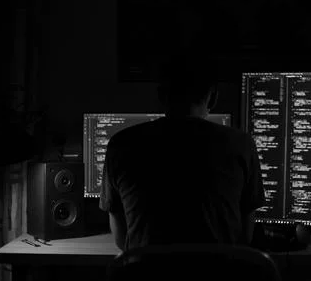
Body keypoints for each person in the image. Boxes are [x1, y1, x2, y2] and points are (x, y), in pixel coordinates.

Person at [99, 56, 265, 251]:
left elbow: (121, 239)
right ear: (213, 97)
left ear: (161, 96)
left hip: (146, 280)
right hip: (219, 280)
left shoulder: (120, 145)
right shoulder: (242, 145)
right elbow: (245, 237)